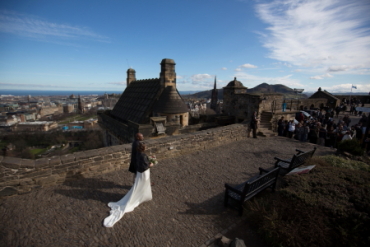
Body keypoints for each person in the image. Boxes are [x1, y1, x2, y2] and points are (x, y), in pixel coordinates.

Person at [103, 142, 153, 228]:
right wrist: (151, 164)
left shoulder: (137, 154)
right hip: (144, 173)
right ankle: (140, 197)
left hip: (139, 173)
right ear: (143, 148)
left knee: (138, 185)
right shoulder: (143, 156)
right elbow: (145, 166)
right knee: (143, 185)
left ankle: (141, 195)